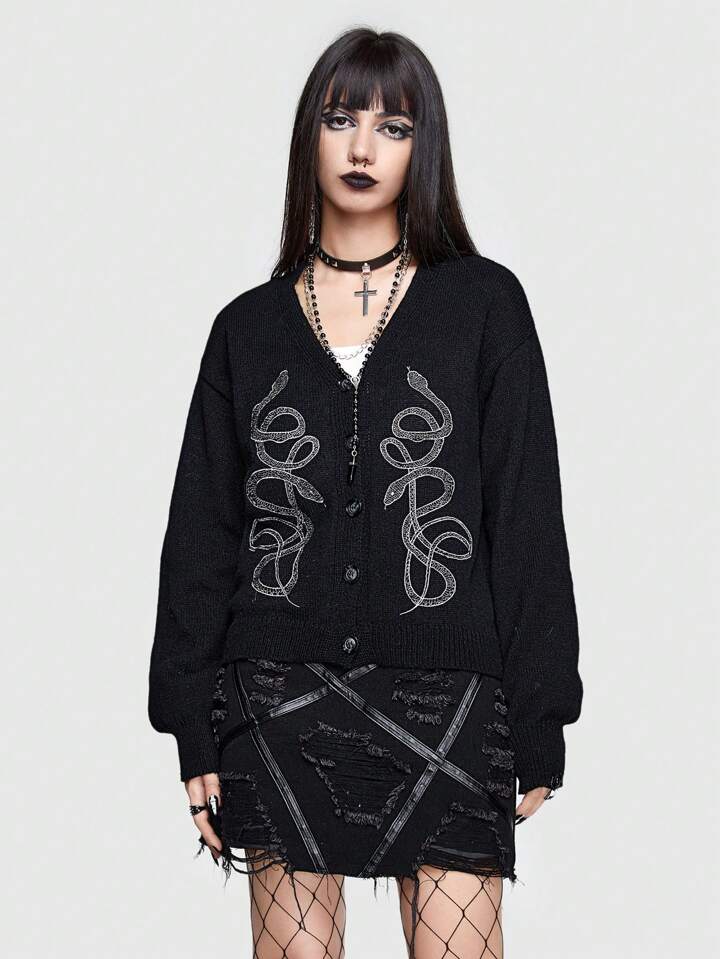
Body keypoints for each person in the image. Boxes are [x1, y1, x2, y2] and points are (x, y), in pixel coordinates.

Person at [148, 26, 583, 958]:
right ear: (308, 136)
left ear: (424, 148)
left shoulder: (484, 307)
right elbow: (202, 534)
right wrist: (191, 723)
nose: (361, 147)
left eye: (393, 127)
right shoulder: (246, 329)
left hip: (449, 702)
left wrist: (540, 713)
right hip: (276, 701)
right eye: (341, 119)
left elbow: (525, 517)